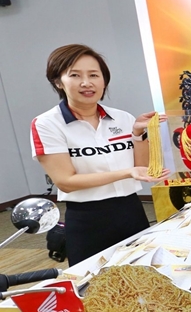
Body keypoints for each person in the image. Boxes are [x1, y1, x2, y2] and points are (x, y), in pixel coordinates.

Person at [30, 44, 168, 266]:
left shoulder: (123, 118)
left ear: (104, 81)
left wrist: (137, 133)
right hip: (87, 220)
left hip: (131, 211)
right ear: (58, 82)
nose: (86, 83)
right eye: (75, 75)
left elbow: (141, 168)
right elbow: (66, 182)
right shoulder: (47, 124)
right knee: (93, 282)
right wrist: (126, 172)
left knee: (144, 276)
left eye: (94, 75)